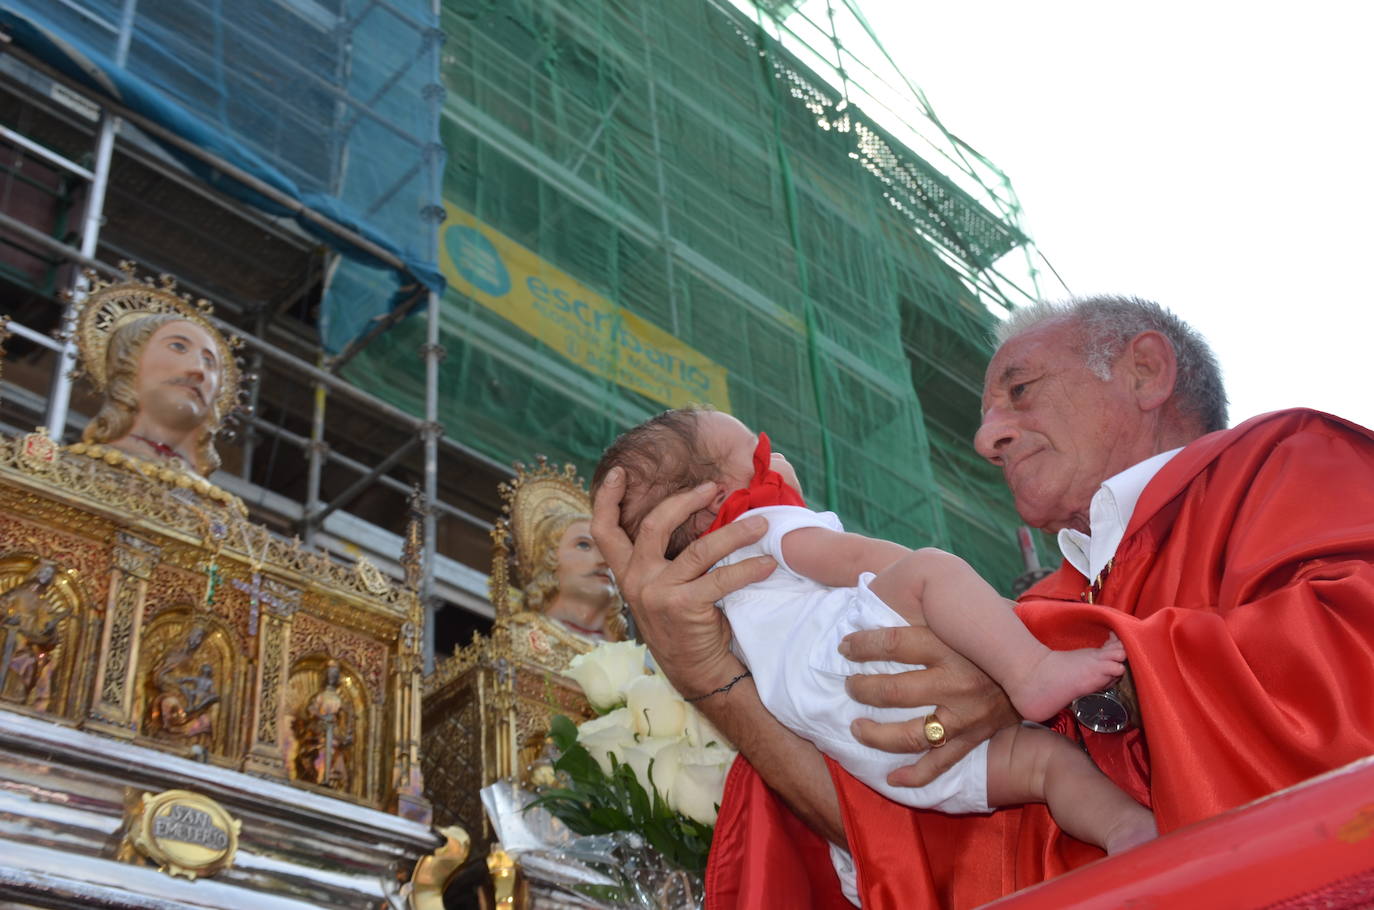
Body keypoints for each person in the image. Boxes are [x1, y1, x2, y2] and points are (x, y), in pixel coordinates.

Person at [591, 296, 1374, 907]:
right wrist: (708, 678)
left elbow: (1352, 661)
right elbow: (900, 845)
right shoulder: (1017, 612)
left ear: (1144, 371)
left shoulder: (1284, 465)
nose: (986, 436)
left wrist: (1086, 678)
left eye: (1021, 390)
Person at [593, 408, 1154, 895]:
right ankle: (1037, 679)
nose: (781, 458)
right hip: (853, 663)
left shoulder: (711, 598)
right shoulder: (762, 526)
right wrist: (966, 608)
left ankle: (1126, 831)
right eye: (762, 454)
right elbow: (855, 557)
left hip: (862, 752)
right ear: (720, 498)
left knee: (1044, 766)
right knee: (934, 568)